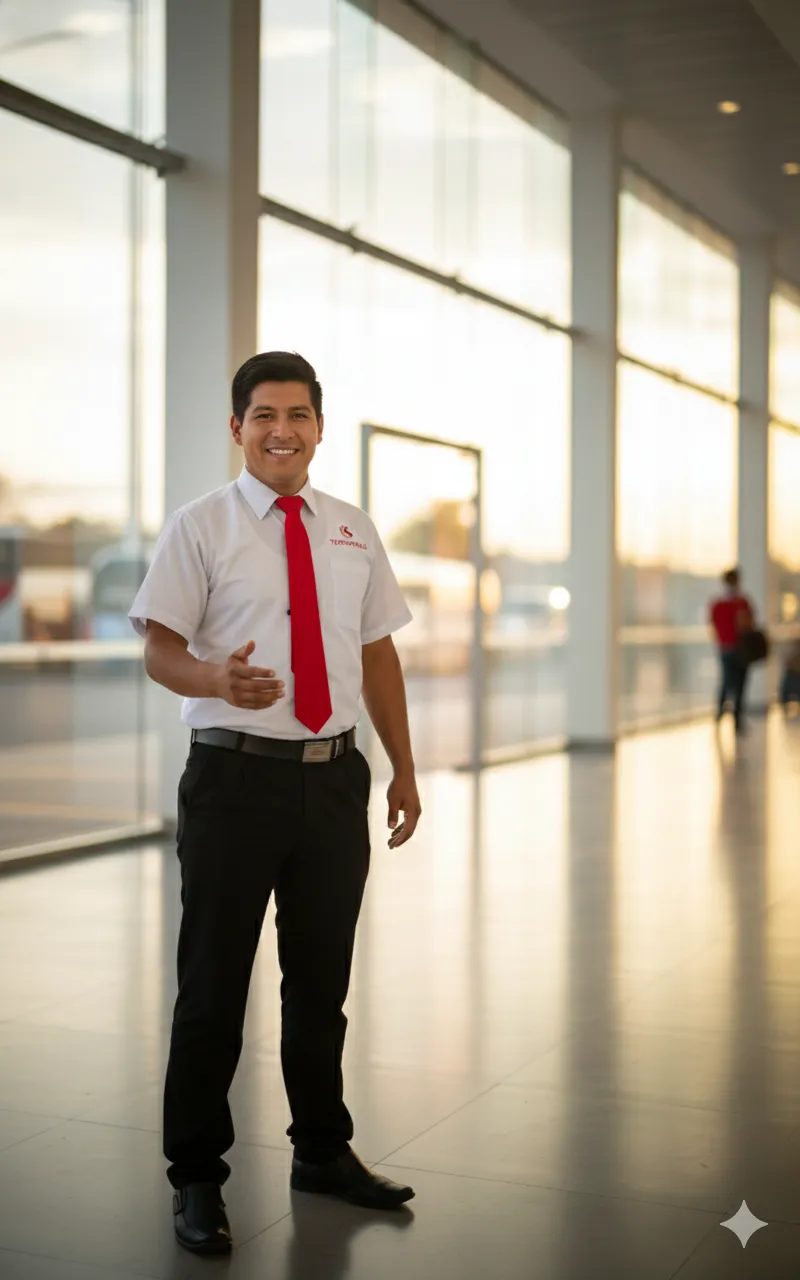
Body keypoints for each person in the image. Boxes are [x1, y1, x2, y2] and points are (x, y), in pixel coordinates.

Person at [128, 351, 421, 1256]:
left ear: (320, 426)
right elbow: (159, 648)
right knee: (213, 988)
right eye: (263, 416)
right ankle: (197, 1179)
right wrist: (211, 676)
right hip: (234, 779)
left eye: (297, 414)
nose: (281, 430)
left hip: (335, 779)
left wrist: (403, 769)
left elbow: (376, 656)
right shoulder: (201, 526)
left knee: (321, 983)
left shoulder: (350, 529)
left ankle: (323, 1152)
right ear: (237, 428)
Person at [709, 567, 754, 734]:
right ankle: (722, 711)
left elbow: (750, 622)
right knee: (728, 681)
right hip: (727, 648)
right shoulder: (720, 603)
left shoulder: (742, 602)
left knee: (740, 684)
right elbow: (715, 624)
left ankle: (737, 719)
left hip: (740, 649)